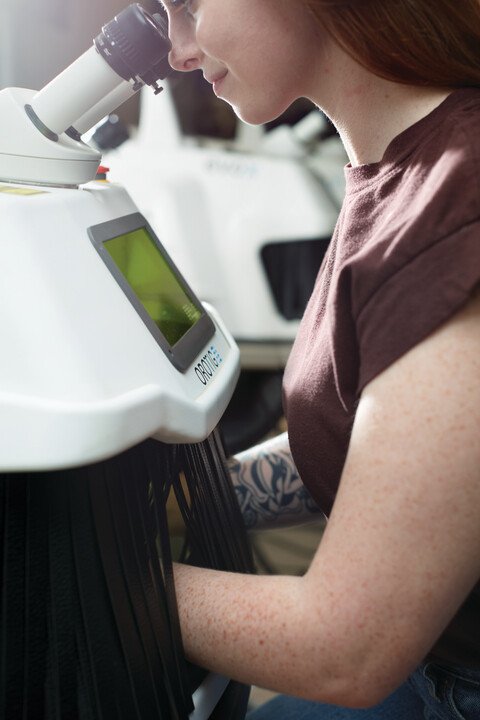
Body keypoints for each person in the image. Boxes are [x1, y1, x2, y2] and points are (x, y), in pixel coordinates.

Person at [160, 0, 480, 717]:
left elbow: (344, 650)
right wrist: (170, 499)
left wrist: (78, 571)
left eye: (187, 6)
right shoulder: (393, 164)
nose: (176, 50)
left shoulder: (460, 191)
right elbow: (378, 453)